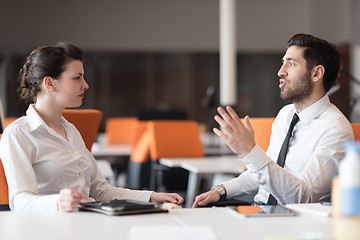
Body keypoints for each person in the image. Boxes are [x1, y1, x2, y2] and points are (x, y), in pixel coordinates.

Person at [0, 42, 183, 212]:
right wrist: (57, 202)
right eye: (77, 78)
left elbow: (101, 191)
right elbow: (20, 201)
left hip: (86, 223)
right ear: (50, 83)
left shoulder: (71, 131)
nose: (85, 85)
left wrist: (151, 197)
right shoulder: (18, 134)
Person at [192, 33, 354, 208]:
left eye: (291, 63)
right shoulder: (286, 114)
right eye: (283, 62)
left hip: (293, 223)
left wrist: (249, 151)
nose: (280, 72)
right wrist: (222, 190)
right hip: (259, 210)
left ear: (316, 73)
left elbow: (303, 197)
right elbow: (265, 173)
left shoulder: (335, 130)